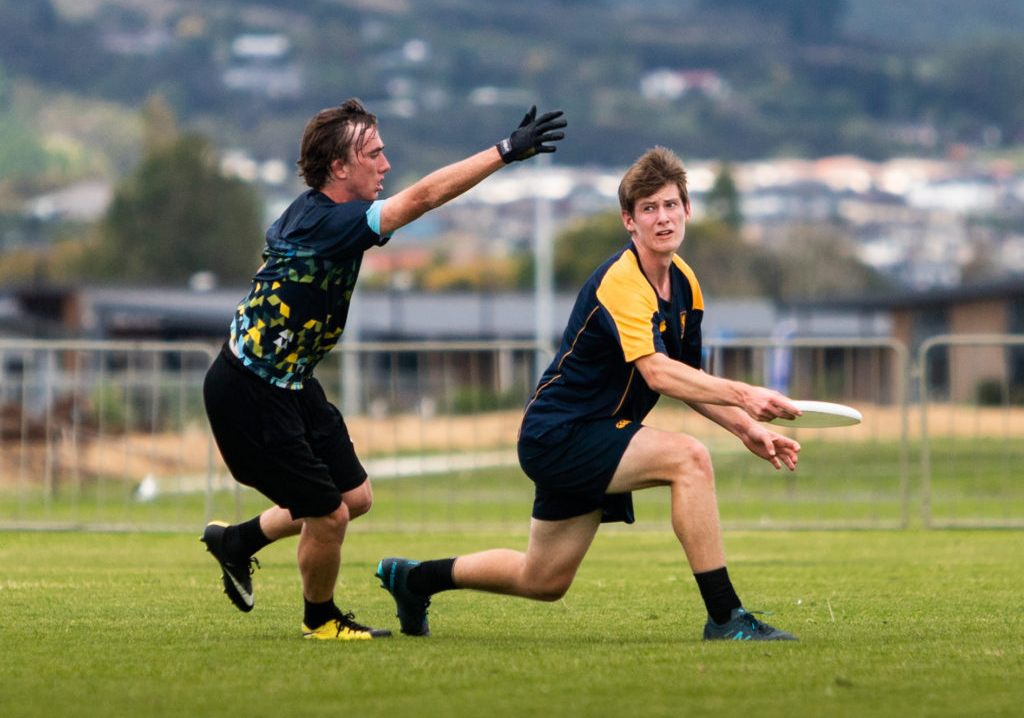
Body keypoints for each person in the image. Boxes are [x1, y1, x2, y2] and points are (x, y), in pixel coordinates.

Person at [376, 146, 803, 642]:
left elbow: (687, 376)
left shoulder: (686, 283)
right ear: (629, 220)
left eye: (670, 205)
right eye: (648, 209)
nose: (662, 218)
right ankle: (727, 618)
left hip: (597, 434)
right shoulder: (623, 281)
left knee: (543, 579)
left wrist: (746, 427)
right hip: (560, 434)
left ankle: (413, 579)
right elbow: (659, 375)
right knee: (690, 459)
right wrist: (746, 395)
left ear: (687, 210)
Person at [201, 99, 567, 640]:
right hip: (248, 393)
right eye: (374, 154)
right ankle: (320, 621)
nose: (386, 164)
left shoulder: (321, 213)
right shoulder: (331, 222)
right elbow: (422, 198)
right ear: (339, 169)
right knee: (329, 516)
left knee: (355, 499)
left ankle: (238, 542)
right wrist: (505, 152)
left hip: (290, 383)